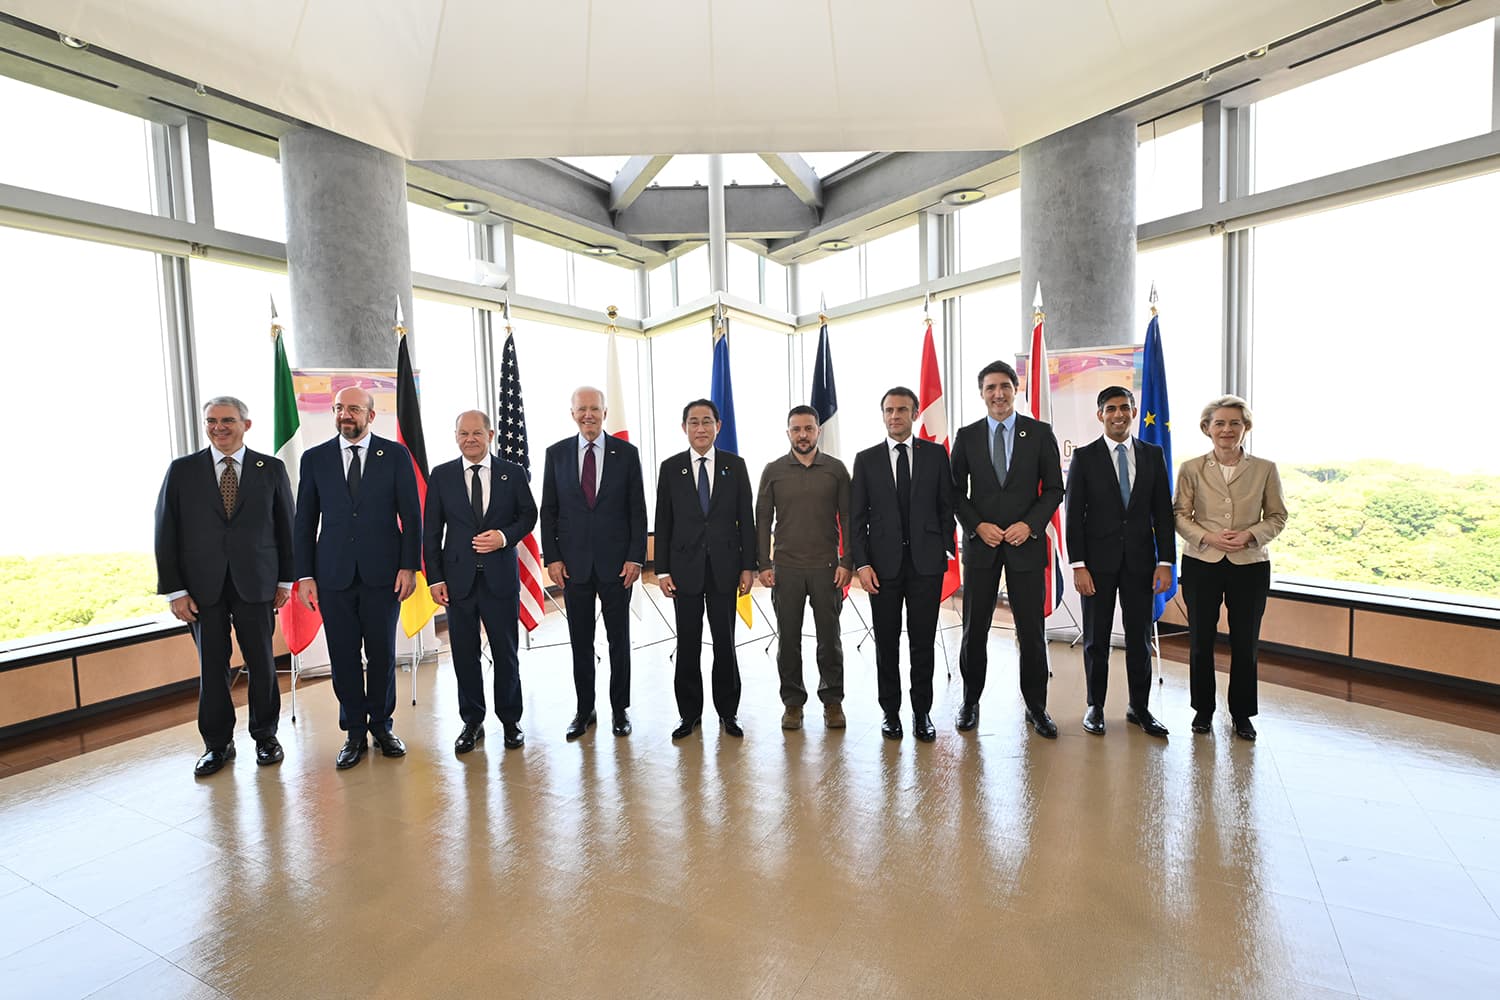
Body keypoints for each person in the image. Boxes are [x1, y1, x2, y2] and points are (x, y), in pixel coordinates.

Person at [154, 396, 295, 776]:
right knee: (211, 668)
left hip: (258, 584)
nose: (219, 427)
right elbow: (165, 532)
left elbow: (287, 528)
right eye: (212, 421)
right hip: (201, 591)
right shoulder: (182, 471)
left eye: (228, 420)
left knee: (262, 665)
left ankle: (265, 737)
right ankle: (217, 746)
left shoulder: (271, 468)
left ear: (246, 425)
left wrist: (285, 579)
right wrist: (175, 590)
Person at [294, 385, 421, 770]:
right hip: (332, 575)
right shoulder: (314, 459)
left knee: (382, 655)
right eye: (338, 409)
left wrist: (408, 566)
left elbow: (412, 516)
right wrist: (305, 575)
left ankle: (382, 727)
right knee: (344, 657)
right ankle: (353, 732)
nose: (345, 415)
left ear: (370, 415)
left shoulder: (395, 455)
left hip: (384, 574)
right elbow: (304, 521)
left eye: (353, 408)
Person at [951, 360, 1065, 739]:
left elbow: (1054, 489)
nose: (998, 394)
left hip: (1025, 545)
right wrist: (977, 525)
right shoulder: (966, 437)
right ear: (981, 392)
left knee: (1031, 630)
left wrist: (1029, 525)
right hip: (982, 546)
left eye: (1005, 386)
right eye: (990, 388)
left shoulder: (1039, 432)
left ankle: (1036, 706)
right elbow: (953, 492)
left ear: (1017, 389)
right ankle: (970, 700)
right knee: (974, 629)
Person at [423, 410, 538, 753]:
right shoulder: (441, 476)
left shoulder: (512, 473)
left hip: (500, 577)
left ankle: (511, 720)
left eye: (477, 433)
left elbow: (528, 515)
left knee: (506, 652)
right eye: (463, 433)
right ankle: (472, 721)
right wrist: (435, 578)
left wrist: (504, 537)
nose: (470, 439)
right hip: (457, 581)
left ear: (491, 435)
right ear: (455, 436)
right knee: (464, 654)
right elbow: (431, 533)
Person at [1174, 394, 1287, 741]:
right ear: (1207, 428)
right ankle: (1202, 711)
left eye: (1234, 423)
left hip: (1249, 565)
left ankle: (1242, 714)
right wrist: (1208, 537)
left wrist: (1251, 535)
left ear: (1246, 428)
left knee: (1245, 642)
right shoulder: (1191, 468)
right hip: (1201, 562)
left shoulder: (1265, 468)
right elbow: (1179, 515)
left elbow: (1278, 516)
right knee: (1200, 641)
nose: (1226, 429)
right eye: (1219, 423)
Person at [1064, 386, 1175, 738]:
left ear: (1133, 411)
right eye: (1110, 408)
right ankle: (1095, 706)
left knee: (1139, 638)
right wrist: (1078, 565)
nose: (1118, 414)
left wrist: (1166, 562)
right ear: (1100, 415)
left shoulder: (1153, 454)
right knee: (1096, 639)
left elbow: (1163, 514)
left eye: (1125, 408)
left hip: (1143, 563)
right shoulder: (1084, 457)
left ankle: (1138, 707)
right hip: (1096, 565)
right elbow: (1073, 515)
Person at [540, 386, 648, 740]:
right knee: (580, 641)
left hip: (618, 566)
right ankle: (585, 709)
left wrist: (636, 557)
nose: (588, 415)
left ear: (605, 413)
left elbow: (637, 511)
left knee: (619, 640)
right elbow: (550, 511)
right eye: (582, 409)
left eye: (595, 409)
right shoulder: (555, 455)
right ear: (572, 413)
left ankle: (621, 709)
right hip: (573, 568)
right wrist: (552, 558)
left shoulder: (626, 454)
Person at [850, 387, 954, 742]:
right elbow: (855, 518)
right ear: (882, 415)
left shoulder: (936, 454)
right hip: (882, 568)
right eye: (889, 410)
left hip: (926, 565)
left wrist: (944, 549)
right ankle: (890, 712)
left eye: (902, 410)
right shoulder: (865, 460)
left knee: (922, 642)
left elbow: (946, 507)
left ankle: (921, 711)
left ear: (916, 413)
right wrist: (861, 564)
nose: (895, 416)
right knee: (887, 643)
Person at [655, 399, 757, 740]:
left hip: (726, 570)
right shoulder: (671, 468)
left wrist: (748, 567)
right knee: (687, 644)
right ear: (684, 427)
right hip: (684, 571)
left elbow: (747, 520)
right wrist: (663, 570)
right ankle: (689, 715)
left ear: (718, 426)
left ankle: (728, 713)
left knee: (725, 644)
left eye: (707, 421)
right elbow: (663, 522)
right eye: (694, 422)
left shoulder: (734, 465)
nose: (701, 428)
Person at [756, 405, 853, 731]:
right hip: (786, 569)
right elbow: (762, 521)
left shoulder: (836, 470)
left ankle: (833, 701)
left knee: (830, 639)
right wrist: (763, 564)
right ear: (788, 433)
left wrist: (847, 561)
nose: (803, 435)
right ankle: (793, 703)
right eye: (796, 429)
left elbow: (850, 520)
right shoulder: (773, 470)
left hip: (827, 569)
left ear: (818, 431)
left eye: (808, 428)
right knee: (789, 640)